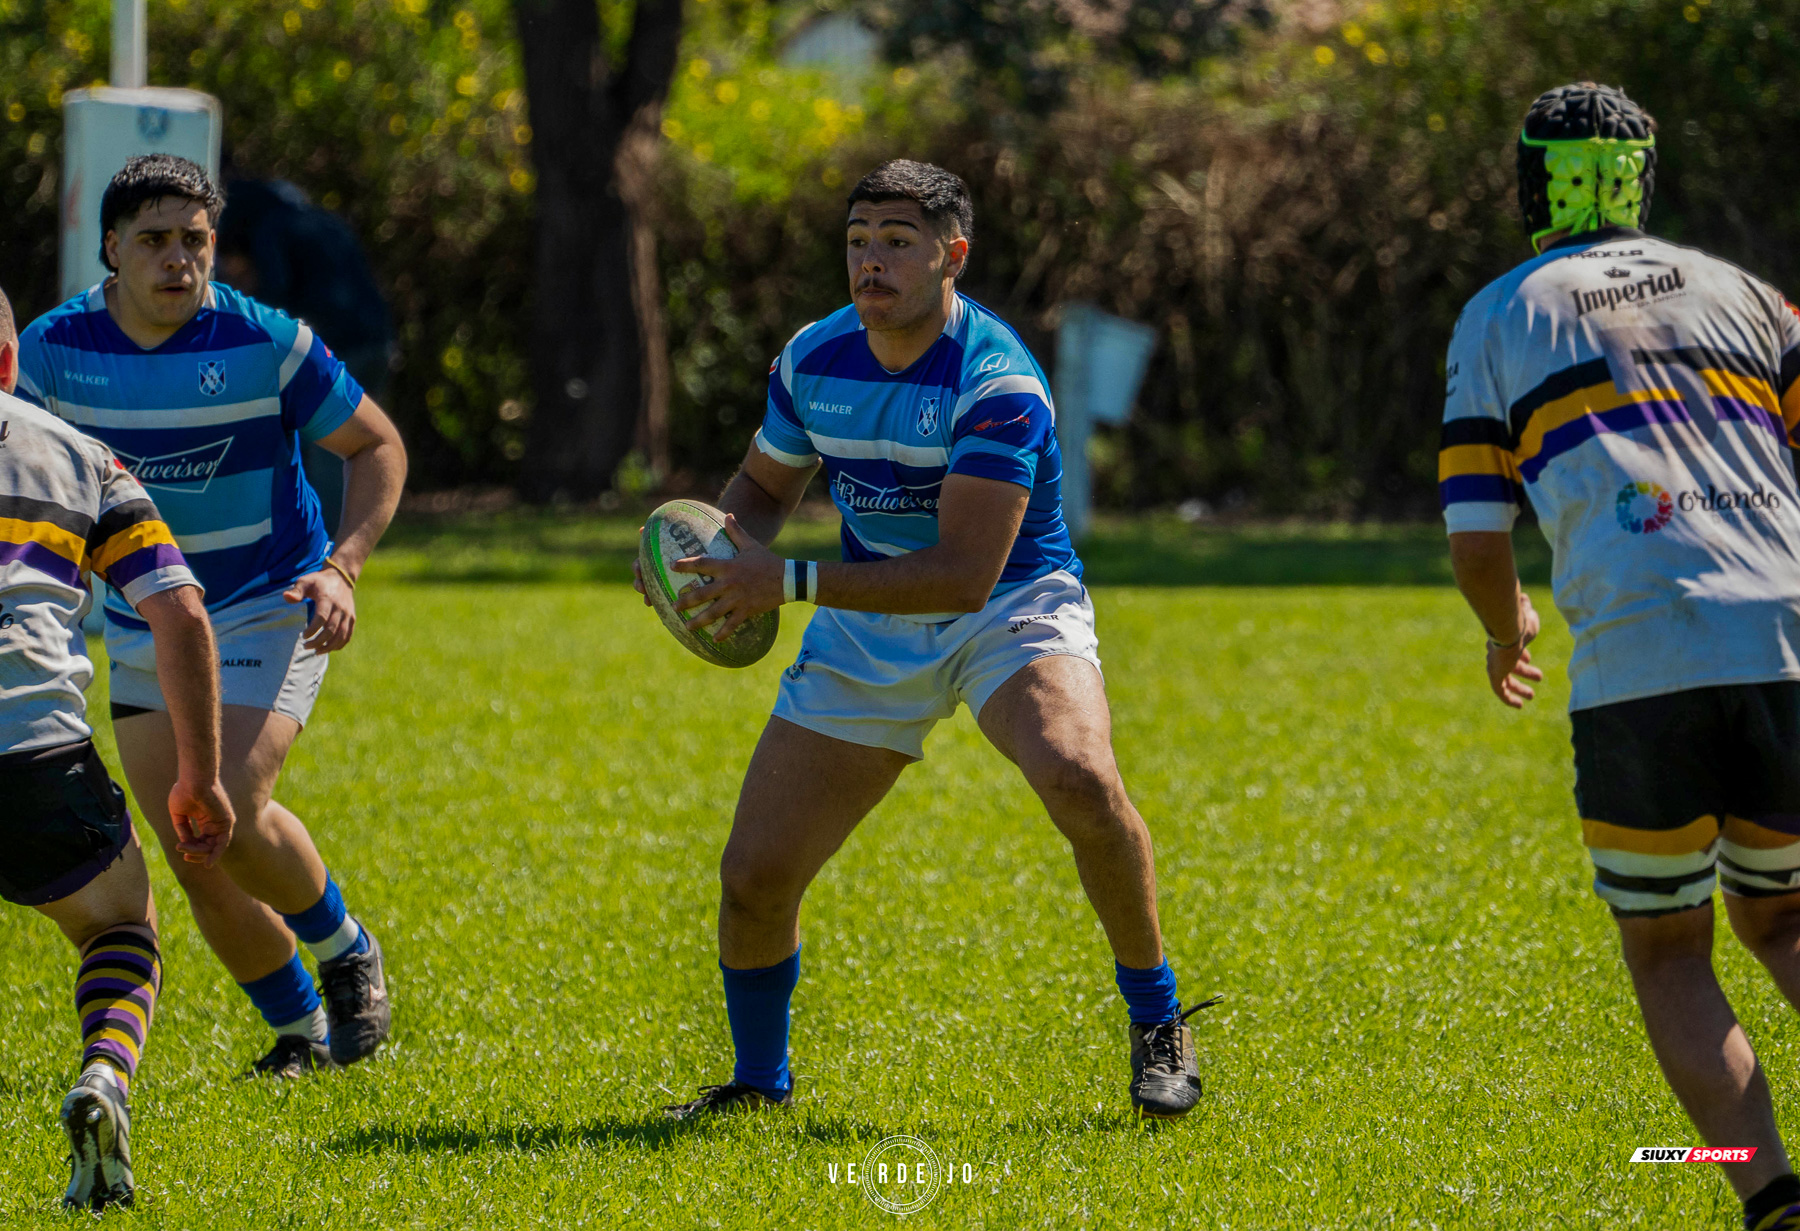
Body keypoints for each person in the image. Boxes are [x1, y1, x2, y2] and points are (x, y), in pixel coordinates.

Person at [639, 160, 1214, 1121]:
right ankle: (758, 1084)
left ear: (954, 255)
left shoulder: (998, 382)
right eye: (859, 241)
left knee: (1078, 774)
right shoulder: (813, 359)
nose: (871, 261)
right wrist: (696, 556)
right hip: (870, 618)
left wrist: (786, 582)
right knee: (755, 875)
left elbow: (963, 574)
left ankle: (1158, 1020)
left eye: (898, 242)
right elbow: (764, 490)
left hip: (1011, 606)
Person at [1443, 83, 1800, 1231]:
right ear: (1641, 177)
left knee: (1668, 948)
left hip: (1641, 658)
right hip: (1786, 640)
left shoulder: (1499, 315)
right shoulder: (1747, 294)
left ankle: (1772, 1197)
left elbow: (1475, 532)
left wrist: (1507, 627)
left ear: (1532, 183)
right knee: (1787, 918)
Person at [15, 154, 409, 1077]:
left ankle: (345, 945)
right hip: (148, 619)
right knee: (196, 848)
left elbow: (377, 445)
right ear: (110, 248)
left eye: (194, 240)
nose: (178, 259)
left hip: (269, 599)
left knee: (228, 793)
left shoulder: (266, 340)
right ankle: (301, 1030)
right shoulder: (53, 350)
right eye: (154, 239)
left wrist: (343, 569)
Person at [0, 283, 233, 1208]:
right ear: (10, 361)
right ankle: (103, 1071)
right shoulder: (81, 457)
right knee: (119, 925)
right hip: (35, 749)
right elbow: (180, 612)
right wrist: (201, 776)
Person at [215, 173, 396, 529]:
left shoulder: (271, 228)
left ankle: (333, 545)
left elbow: (273, 296)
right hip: (378, 342)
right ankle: (354, 529)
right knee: (362, 445)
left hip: (340, 348)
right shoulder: (325, 221)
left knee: (330, 453)